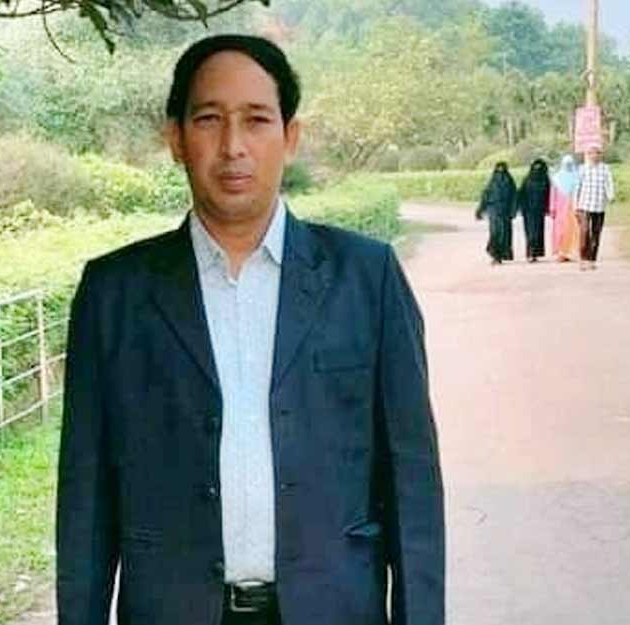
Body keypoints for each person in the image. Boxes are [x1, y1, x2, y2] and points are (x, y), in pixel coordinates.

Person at [55, 34, 445, 625]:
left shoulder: (367, 279)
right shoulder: (115, 294)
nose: (233, 146)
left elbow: (412, 482)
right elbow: (85, 500)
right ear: (176, 139)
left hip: (334, 609)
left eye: (257, 120)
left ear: (290, 137)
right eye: (209, 119)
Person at [574, 145, 615, 271]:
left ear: (600, 155)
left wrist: (611, 196)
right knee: (585, 231)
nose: (594, 156)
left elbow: (609, 184)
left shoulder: (605, 169)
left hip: (599, 206)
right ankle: (583, 259)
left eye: (597, 153)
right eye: (591, 153)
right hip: (584, 205)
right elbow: (577, 187)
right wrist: (575, 204)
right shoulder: (582, 169)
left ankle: (592, 260)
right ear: (588, 155)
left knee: (596, 233)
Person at [476, 161, 517, 265]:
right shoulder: (492, 182)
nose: (500, 172)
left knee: (504, 235)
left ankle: (501, 255)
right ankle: (495, 255)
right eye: (498, 169)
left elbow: (514, 197)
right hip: (493, 211)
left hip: (505, 212)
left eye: (502, 169)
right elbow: (485, 196)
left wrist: (513, 211)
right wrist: (480, 210)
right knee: (494, 234)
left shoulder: (510, 182)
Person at [549, 155, 581, 262]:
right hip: (560, 209)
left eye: (570, 164)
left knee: (573, 230)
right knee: (560, 231)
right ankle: (561, 253)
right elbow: (553, 195)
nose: (568, 166)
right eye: (566, 164)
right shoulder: (556, 178)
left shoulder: (577, 177)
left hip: (573, 207)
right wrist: (552, 208)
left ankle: (571, 252)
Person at [518, 158, 550, 263]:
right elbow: (521, 194)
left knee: (538, 233)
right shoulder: (527, 179)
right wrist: (520, 208)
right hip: (528, 211)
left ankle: (535, 253)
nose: (537, 169)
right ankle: (530, 253)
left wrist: (547, 208)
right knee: (530, 233)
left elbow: (548, 195)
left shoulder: (545, 180)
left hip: (540, 211)